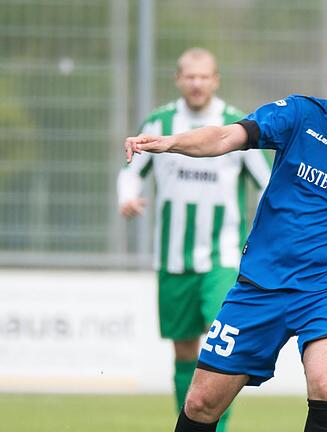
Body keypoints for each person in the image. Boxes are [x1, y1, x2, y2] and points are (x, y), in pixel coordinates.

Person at [123, 41, 327, 432]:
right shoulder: (298, 115)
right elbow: (225, 137)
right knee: (202, 402)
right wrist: (172, 144)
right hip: (262, 284)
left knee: (326, 384)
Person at [117, 47, 272, 432]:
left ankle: (214, 427)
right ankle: (186, 421)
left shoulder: (235, 127)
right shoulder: (161, 121)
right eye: (190, 76)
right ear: (178, 79)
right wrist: (127, 197)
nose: (197, 83)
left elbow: (269, 184)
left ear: (215, 80)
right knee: (184, 349)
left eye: (204, 76)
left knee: (224, 350)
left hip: (222, 260)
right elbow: (131, 170)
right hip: (172, 260)